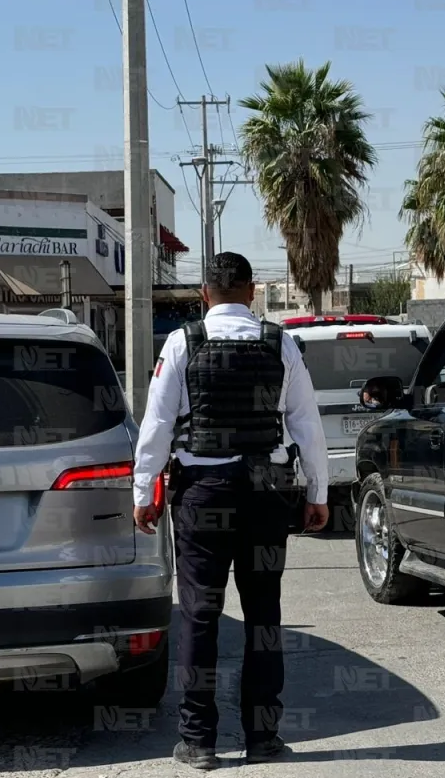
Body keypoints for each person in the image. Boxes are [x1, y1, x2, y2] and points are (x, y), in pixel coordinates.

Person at [131, 252, 329, 771]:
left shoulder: (182, 343)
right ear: (252, 291)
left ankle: (198, 743)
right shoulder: (279, 342)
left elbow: (154, 427)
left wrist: (142, 492)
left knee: (199, 615)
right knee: (264, 614)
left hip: (202, 493)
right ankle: (264, 737)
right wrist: (318, 495)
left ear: (204, 294)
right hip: (267, 490)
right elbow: (307, 422)